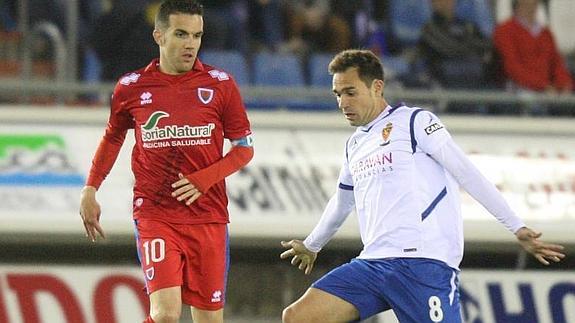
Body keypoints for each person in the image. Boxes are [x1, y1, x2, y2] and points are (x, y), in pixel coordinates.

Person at [279, 49, 565, 323]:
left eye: (350, 92)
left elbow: (466, 172)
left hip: (422, 264)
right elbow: (342, 202)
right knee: (299, 317)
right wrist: (311, 245)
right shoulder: (355, 144)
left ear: (377, 87)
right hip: (373, 263)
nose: (342, 102)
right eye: (338, 94)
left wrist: (515, 226)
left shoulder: (416, 122)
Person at [79, 1, 254, 323]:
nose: (190, 43)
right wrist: (90, 188)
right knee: (165, 315)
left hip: (208, 217)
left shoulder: (220, 85)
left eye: (197, 35)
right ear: (159, 35)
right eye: (181, 34)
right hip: (156, 213)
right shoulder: (131, 88)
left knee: (210, 320)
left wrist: (203, 179)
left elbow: (244, 148)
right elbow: (113, 137)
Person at [493, 0, 573, 94]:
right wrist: (542, 86)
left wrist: (565, 84)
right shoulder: (505, 30)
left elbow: (557, 64)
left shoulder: (545, 34)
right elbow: (512, 67)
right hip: (519, 90)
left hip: (547, 91)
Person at [418, 0, 492, 89]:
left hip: (474, 78)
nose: (447, 2)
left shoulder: (467, 25)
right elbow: (450, 48)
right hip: (444, 82)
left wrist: (465, 44)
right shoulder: (429, 28)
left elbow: (487, 44)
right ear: (433, 4)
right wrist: (469, 44)